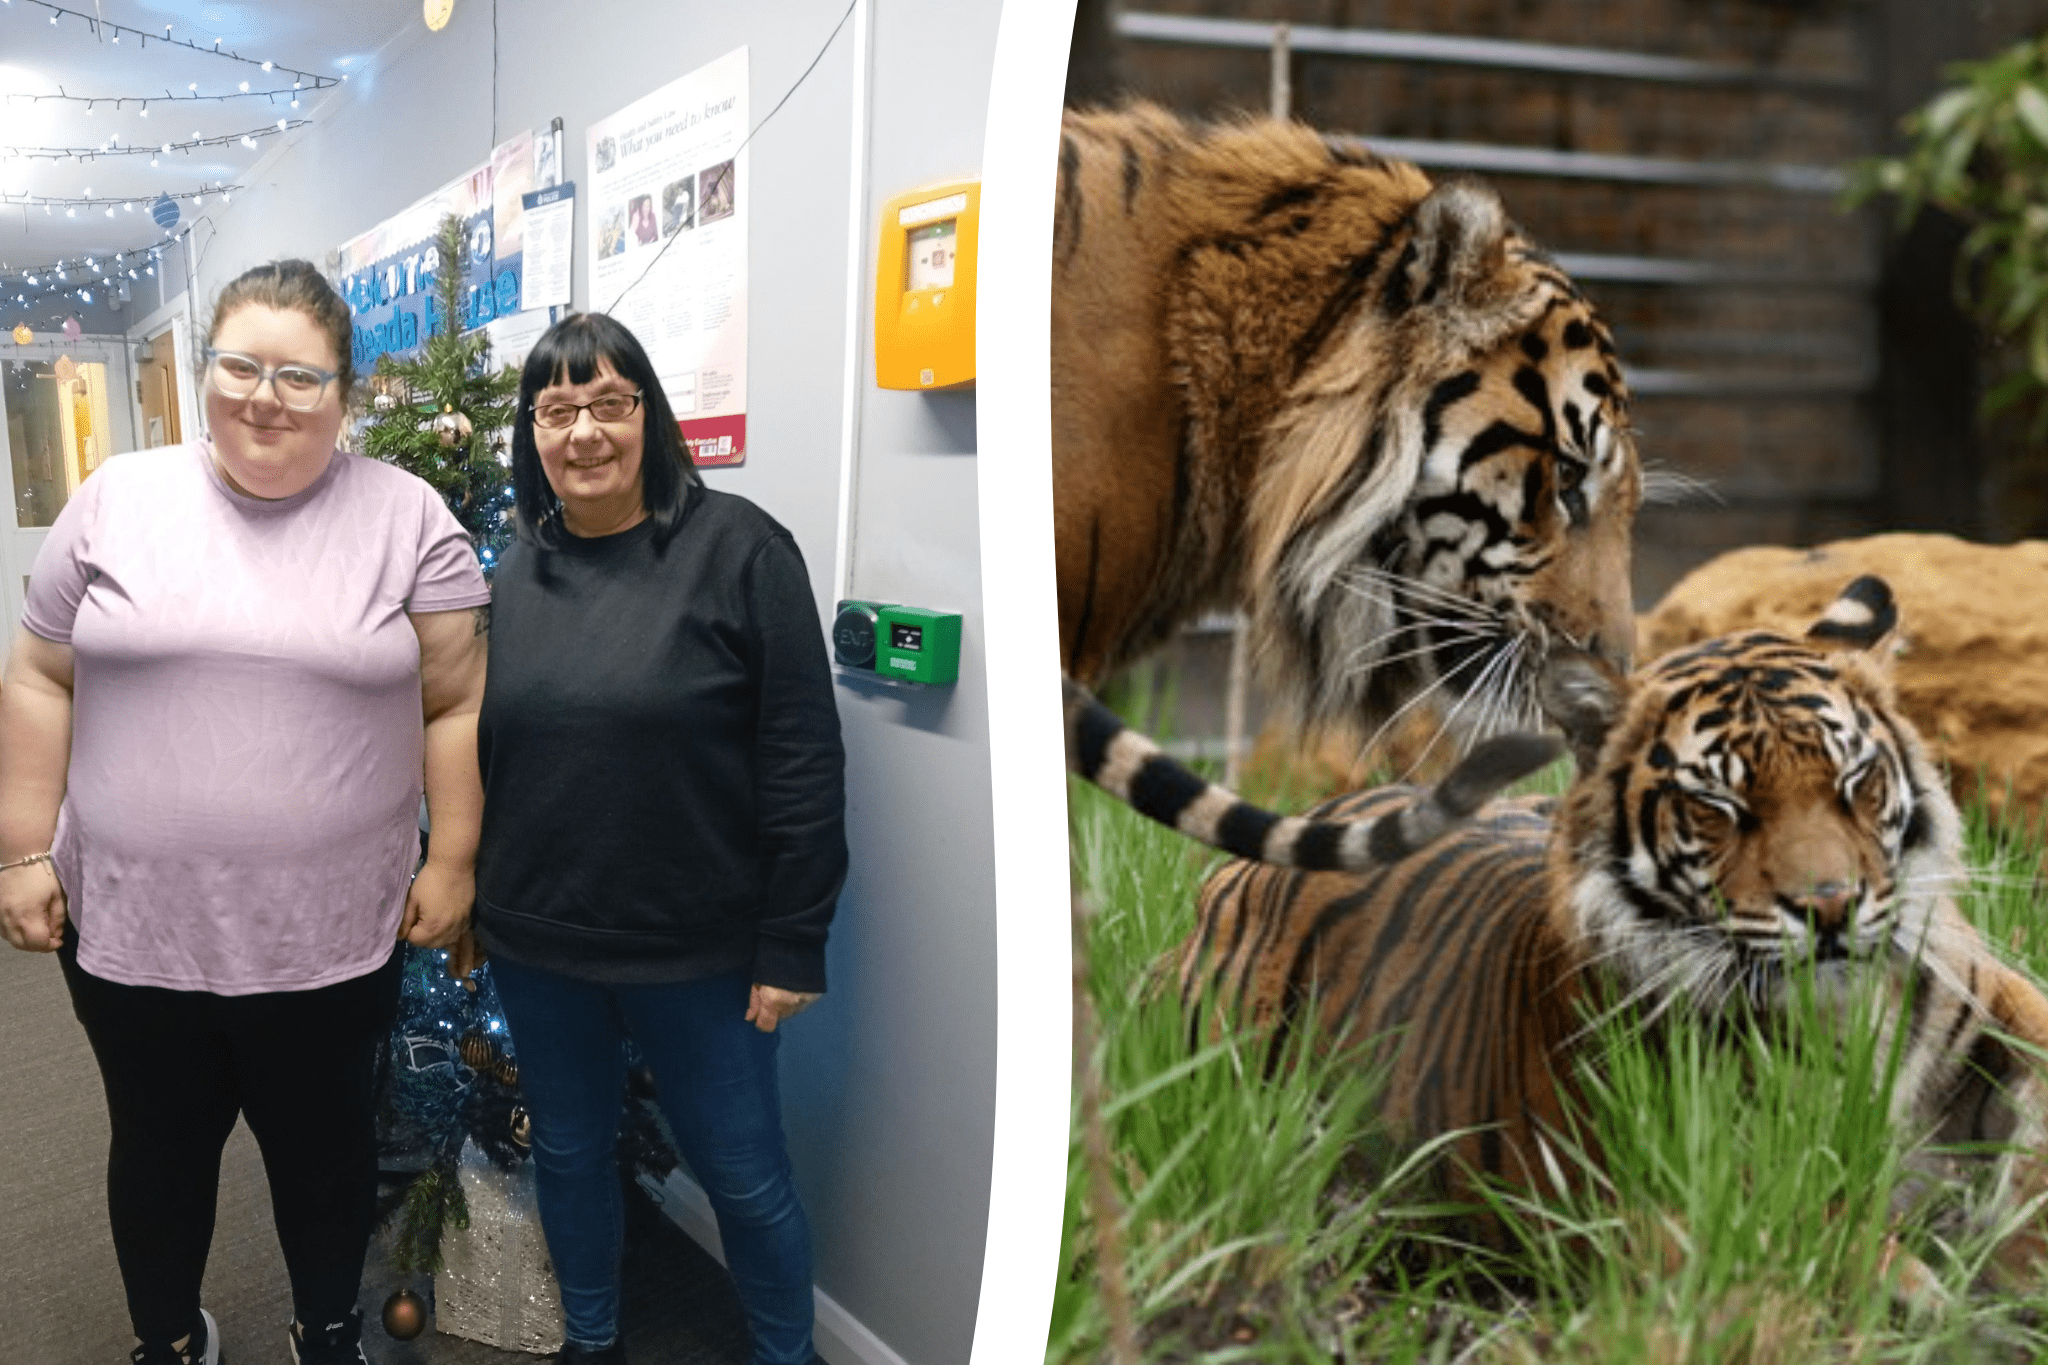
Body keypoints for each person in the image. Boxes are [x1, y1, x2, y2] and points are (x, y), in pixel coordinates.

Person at [0, 260, 491, 1365]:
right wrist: (20, 850)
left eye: (299, 377)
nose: (264, 397)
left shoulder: (406, 517)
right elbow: (39, 678)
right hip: (132, 931)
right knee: (158, 1152)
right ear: (204, 369)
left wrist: (452, 855)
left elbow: (454, 700)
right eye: (240, 365)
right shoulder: (117, 498)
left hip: (326, 938)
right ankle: (168, 1340)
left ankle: (326, 1332)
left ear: (345, 394)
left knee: (323, 1158)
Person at [473, 312, 846, 1365]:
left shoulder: (740, 550)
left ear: (650, 414)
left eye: (607, 403)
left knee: (743, 1177)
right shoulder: (516, 572)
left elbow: (803, 761)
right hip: (543, 946)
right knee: (574, 1157)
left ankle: (786, 1355)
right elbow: (492, 753)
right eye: (555, 410)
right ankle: (591, 1341)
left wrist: (793, 940)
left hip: (705, 954)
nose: (582, 432)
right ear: (531, 434)